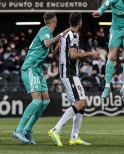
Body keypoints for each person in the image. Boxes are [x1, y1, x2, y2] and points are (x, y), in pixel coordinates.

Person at [12, 12, 70, 144]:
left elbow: (50, 55)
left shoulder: (48, 34)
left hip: (37, 69)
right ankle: (19, 130)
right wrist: (62, 34)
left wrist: (57, 48)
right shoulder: (45, 30)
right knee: (37, 100)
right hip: (30, 67)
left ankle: (27, 130)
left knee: (45, 101)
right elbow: (46, 43)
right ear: (54, 21)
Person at [48, 12, 100, 146]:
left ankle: (74, 137)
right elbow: (72, 55)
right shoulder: (74, 35)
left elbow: (53, 55)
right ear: (80, 22)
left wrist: (59, 48)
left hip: (67, 72)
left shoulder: (64, 35)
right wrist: (91, 54)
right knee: (80, 103)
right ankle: (56, 129)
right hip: (70, 73)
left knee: (81, 105)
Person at [92, 0, 124, 100]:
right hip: (115, 30)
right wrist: (99, 12)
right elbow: (104, 6)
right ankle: (107, 86)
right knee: (111, 56)